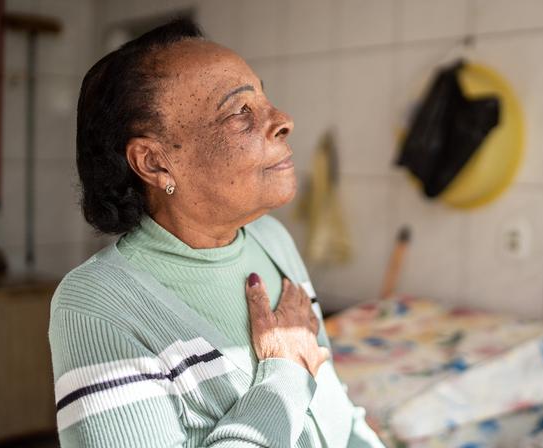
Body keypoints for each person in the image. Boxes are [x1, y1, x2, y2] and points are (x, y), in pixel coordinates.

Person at [48, 18, 384, 448]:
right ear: (154, 162)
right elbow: (299, 376)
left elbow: (336, 410)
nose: (283, 120)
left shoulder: (271, 239)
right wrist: (286, 375)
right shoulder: (97, 303)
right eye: (240, 111)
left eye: (263, 97)